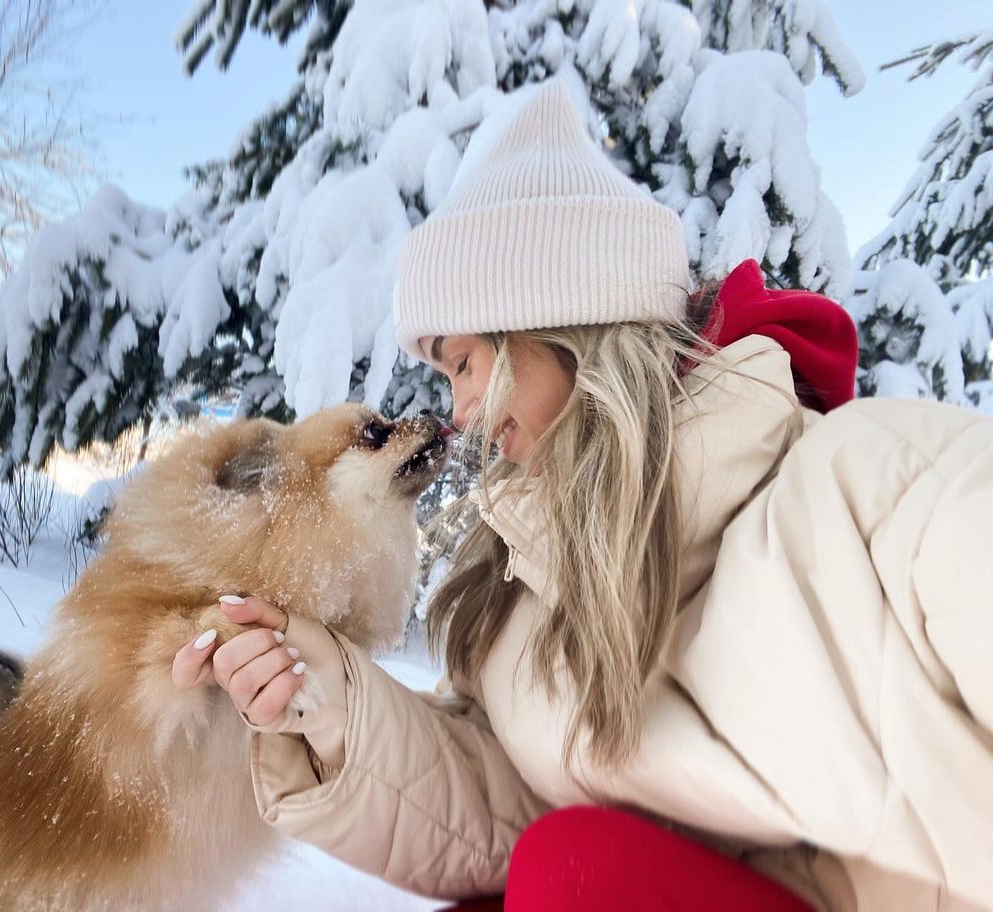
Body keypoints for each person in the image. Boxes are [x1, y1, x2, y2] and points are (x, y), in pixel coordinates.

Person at [172, 79, 993, 911]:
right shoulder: (520, 593)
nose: (459, 411)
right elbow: (507, 813)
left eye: (464, 364)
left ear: (556, 323)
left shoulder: (880, 490)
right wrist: (323, 697)